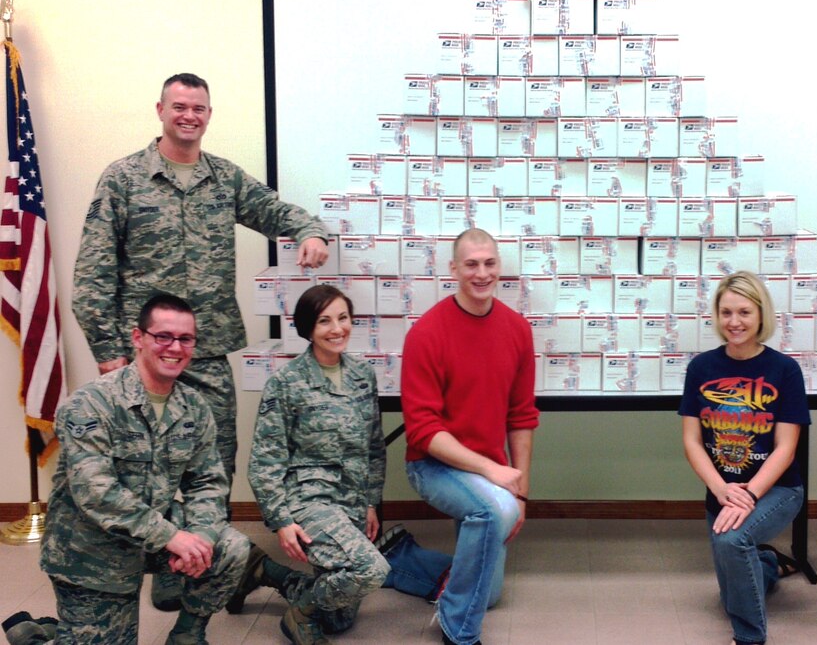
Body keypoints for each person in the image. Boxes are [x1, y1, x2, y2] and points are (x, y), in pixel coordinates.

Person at [72, 72, 329, 492]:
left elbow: (273, 210)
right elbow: (91, 275)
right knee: (140, 463)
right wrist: (108, 352)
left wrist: (310, 232)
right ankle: (153, 553)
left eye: (197, 109)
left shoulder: (224, 178)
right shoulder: (124, 179)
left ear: (208, 116)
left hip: (206, 351)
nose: (188, 116)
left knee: (214, 461)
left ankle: (211, 552)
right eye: (179, 107)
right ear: (160, 111)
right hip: (144, 353)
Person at [39, 294, 249, 645]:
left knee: (231, 546)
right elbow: (97, 493)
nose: (175, 348)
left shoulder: (194, 406)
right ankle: (40, 634)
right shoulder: (91, 403)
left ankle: (187, 634)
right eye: (163, 336)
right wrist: (173, 537)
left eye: (185, 339)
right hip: (90, 552)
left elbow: (208, 483)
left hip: (152, 533)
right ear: (139, 338)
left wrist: (201, 539)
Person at [401, 228, 539, 645]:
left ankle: (397, 558)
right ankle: (457, 629)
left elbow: (521, 417)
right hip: (433, 465)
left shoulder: (517, 330)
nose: (482, 273)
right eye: (472, 264)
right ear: (454, 269)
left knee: (490, 593)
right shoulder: (427, 333)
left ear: (499, 267)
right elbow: (423, 431)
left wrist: (520, 492)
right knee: (491, 513)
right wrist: (493, 475)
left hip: (488, 473)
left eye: (490, 263)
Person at [246, 284, 391, 644]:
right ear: (308, 328)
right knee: (372, 569)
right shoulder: (287, 382)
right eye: (325, 321)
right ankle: (299, 613)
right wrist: (281, 520)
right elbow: (265, 459)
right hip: (309, 499)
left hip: (352, 500)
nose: (337, 328)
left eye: (343, 318)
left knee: (339, 619)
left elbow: (374, 446)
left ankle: (265, 571)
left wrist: (372, 502)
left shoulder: (362, 376)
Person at [679, 271, 809, 645]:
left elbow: (786, 447)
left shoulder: (784, 370)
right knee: (731, 593)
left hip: (776, 489)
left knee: (731, 542)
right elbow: (692, 441)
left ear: (760, 315)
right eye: (726, 313)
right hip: (722, 491)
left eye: (744, 312)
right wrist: (721, 489)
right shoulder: (701, 368)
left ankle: (750, 637)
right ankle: (768, 564)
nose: (734, 322)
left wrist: (750, 494)